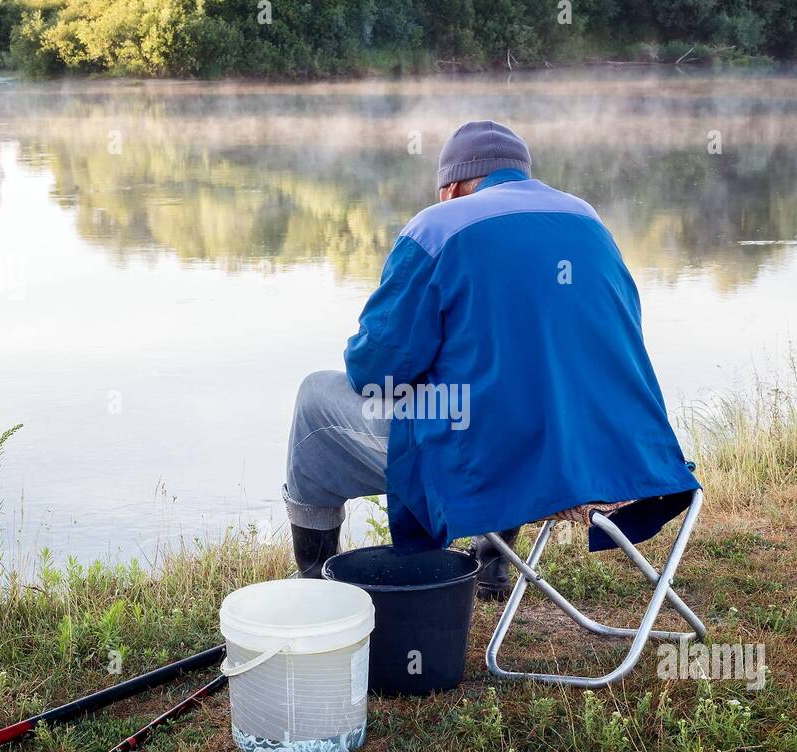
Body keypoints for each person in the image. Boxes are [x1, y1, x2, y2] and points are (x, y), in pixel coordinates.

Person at [282, 120, 698, 599]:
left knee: (316, 398)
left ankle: (313, 589)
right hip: (615, 453)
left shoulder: (437, 227)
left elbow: (376, 371)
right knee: (515, 384)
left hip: (496, 459)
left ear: (453, 187)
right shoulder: (588, 220)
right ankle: (492, 562)